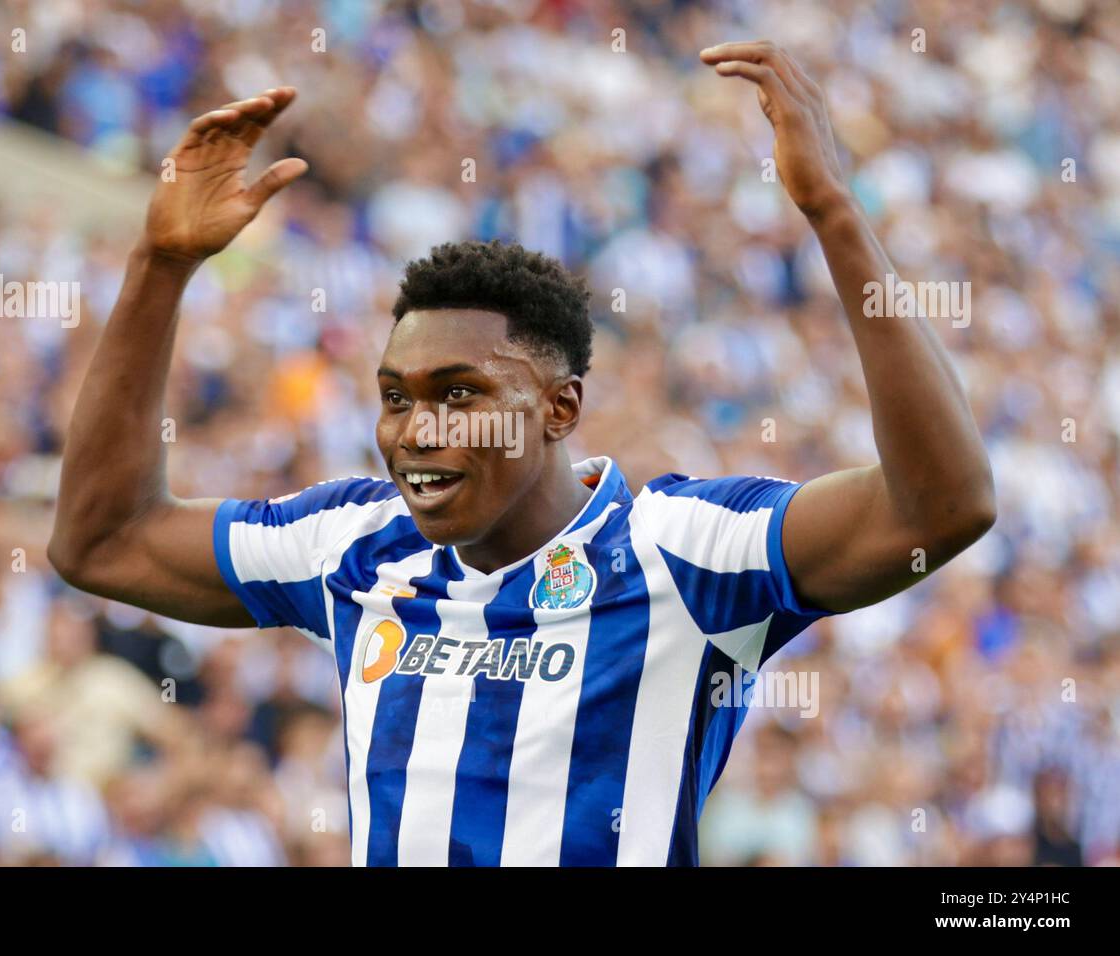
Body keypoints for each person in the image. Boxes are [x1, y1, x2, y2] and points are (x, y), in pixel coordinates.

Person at [48, 43, 996, 866]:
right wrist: (158, 269)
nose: (417, 430)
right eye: (394, 398)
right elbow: (103, 541)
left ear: (558, 407)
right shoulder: (355, 546)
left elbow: (942, 506)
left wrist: (834, 212)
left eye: (459, 395)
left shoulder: (686, 551)